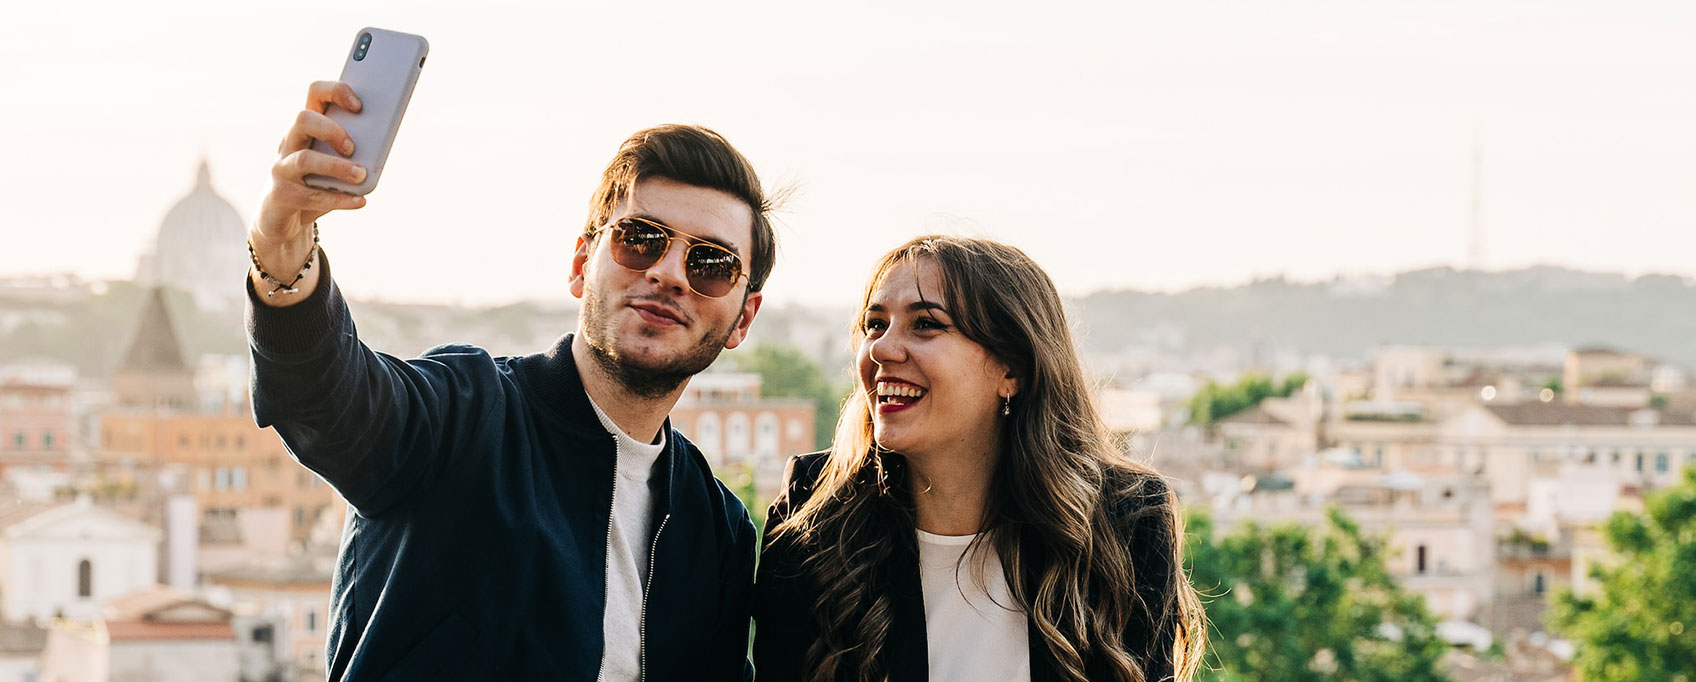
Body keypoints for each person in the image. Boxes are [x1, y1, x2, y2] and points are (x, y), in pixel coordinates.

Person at [246, 80, 774, 680]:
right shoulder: (466, 416)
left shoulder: (717, 528)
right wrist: (281, 246)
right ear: (581, 266)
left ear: (743, 319)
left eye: (712, 263)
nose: (671, 274)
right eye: (640, 240)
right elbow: (325, 398)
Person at [752, 236, 1206, 682]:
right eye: (875, 325)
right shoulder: (813, 510)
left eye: (926, 324)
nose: (882, 350)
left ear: (1011, 370)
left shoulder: (1125, 520)